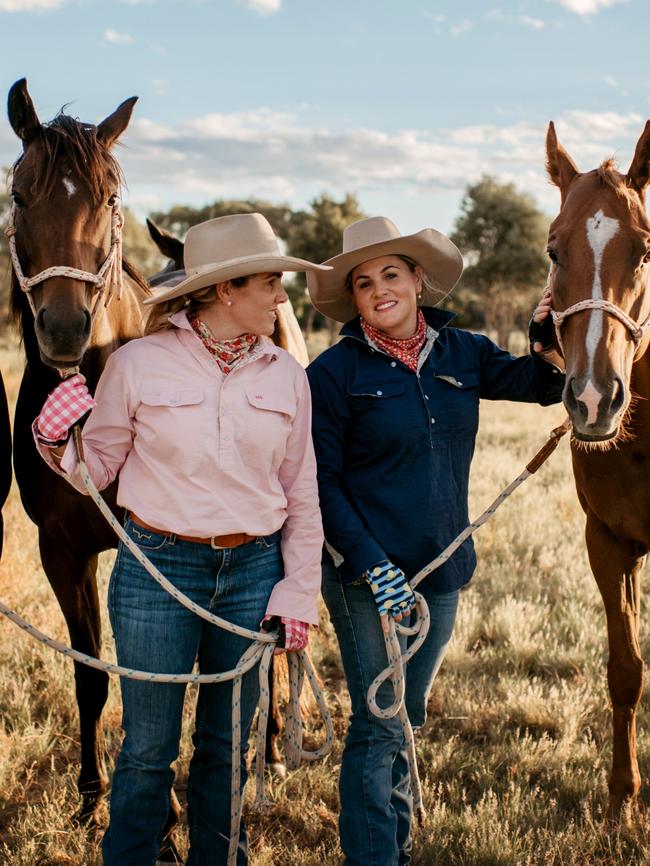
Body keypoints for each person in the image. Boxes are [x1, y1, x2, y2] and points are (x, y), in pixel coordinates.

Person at [33, 213, 330, 866]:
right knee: (147, 752)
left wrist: (298, 593)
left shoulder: (285, 374)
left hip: (252, 573)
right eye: (271, 284)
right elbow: (95, 471)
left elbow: (301, 495)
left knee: (228, 749)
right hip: (155, 573)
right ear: (226, 290)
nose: (283, 298)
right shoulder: (138, 364)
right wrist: (58, 440)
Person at [305, 217, 563, 866]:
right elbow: (321, 483)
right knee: (378, 722)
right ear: (355, 299)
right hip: (365, 577)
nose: (379, 290)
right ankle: (378, 857)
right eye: (363, 283)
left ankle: (393, 842)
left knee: (406, 715)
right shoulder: (332, 374)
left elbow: (544, 386)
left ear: (419, 280)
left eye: (391, 274)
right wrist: (371, 566)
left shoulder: (465, 353)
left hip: (442, 571)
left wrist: (548, 337)